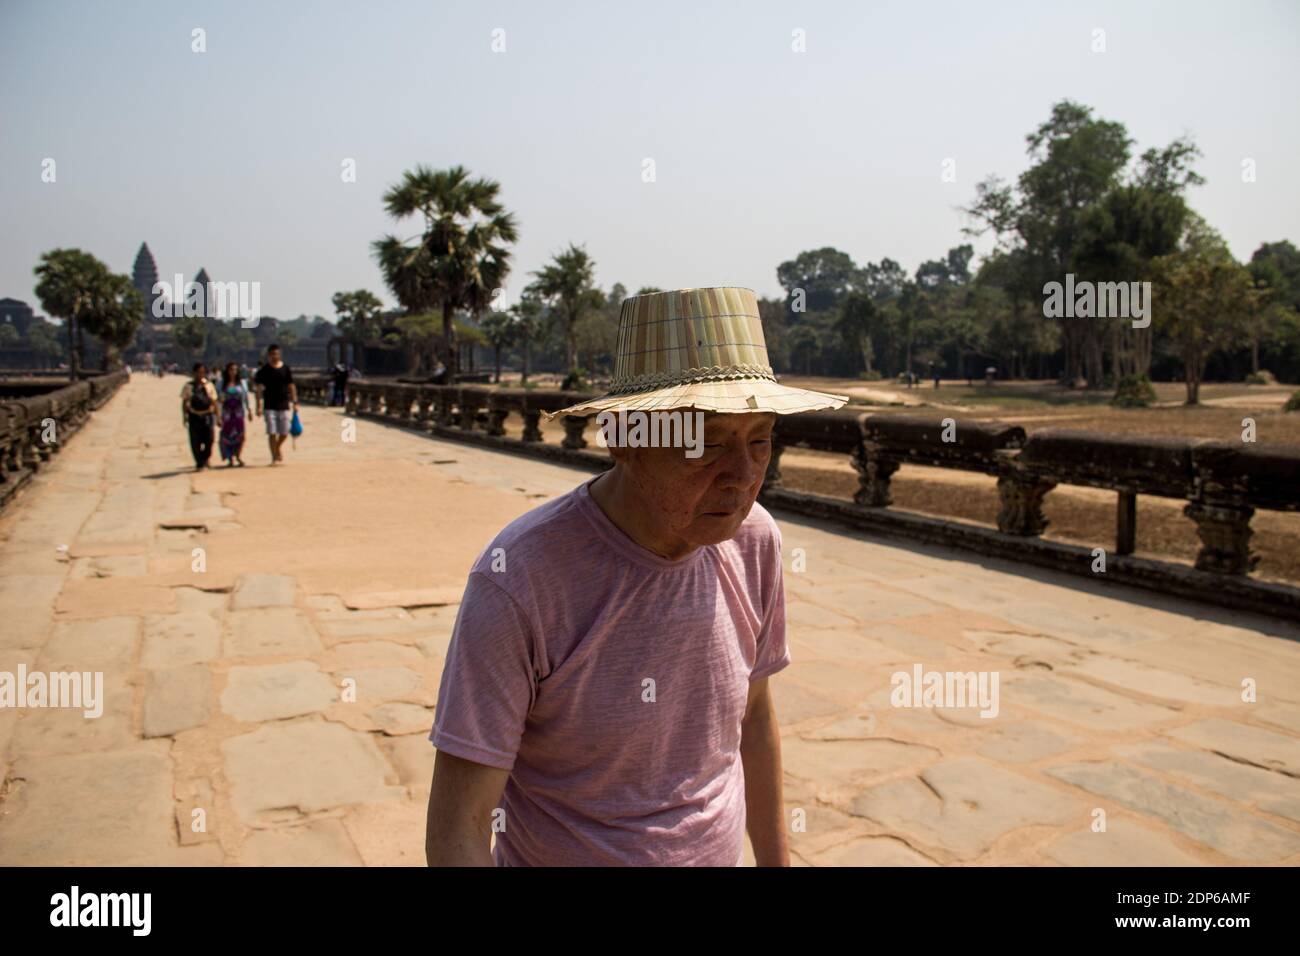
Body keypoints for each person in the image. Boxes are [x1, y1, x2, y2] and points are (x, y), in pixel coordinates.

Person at [424, 287, 848, 867]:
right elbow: (461, 828)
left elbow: (754, 715)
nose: (742, 477)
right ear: (624, 440)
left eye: (760, 441)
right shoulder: (522, 578)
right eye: (705, 443)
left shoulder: (754, 543)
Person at [253, 344, 297, 464]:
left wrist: (295, 401)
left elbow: (291, 385)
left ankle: (277, 447)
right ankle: (273, 457)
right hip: (269, 405)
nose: (274, 356)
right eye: (272, 354)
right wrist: (258, 405)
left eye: (276, 354)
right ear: (269, 355)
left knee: (284, 432)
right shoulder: (264, 370)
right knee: (272, 432)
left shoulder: (285, 369)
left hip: (283, 403)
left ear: (280, 354)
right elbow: (258, 389)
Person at [180, 363, 219, 471]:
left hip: (208, 415)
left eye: (203, 372)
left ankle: (206, 458)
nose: (200, 374)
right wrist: (184, 416)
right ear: (194, 373)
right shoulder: (188, 386)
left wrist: (218, 416)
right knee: (195, 441)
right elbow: (184, 402)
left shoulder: (209, 385)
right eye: (198, 372)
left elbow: (214, 401)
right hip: (194, 416)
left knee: (209, 439)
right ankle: (199, 463)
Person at [217, 362, 251, 467]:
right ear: (227, 371)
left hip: (238, 413)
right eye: (231, 369)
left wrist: (249, 410)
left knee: (240, 435)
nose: (233, 372)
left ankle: (238, 455)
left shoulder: (242, 383)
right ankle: (230, 458)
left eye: (235, 370)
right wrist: (217, 415)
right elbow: (217, 400)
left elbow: (246, 398)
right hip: (227, 413)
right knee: (227, 435)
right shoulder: (221, 383)